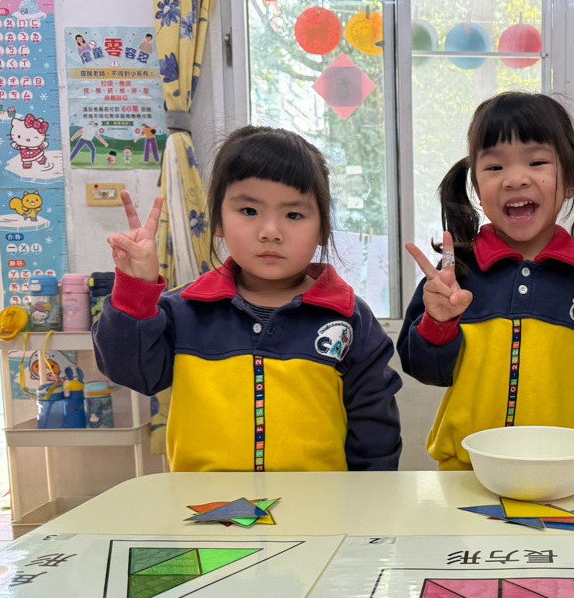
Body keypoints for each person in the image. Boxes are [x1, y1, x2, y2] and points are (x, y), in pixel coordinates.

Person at [93, 126, 402, 472]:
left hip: (320, 503)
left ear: (322, 229)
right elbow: (132, 372)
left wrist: (368, 497)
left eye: (294, 215)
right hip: (204, 502)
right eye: (250, 211)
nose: (270, 232)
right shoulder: (182, 311)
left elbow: (375, 432)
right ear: (217, 221)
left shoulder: (348, 317)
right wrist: (135, 289)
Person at [398, 91, 574, 470]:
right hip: (464, 473)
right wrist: (439, 324)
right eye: (494, 167)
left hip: (566, 473)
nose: (515, 179)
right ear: (476, 187)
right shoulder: (454, 274)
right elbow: (426, 371)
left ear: (570, 180)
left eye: (537, 162)